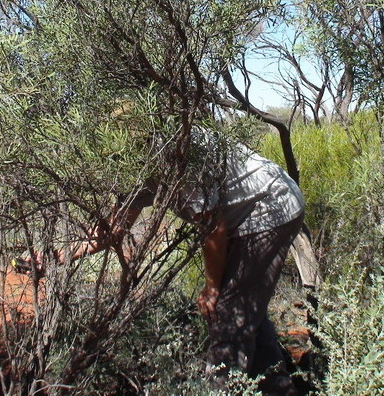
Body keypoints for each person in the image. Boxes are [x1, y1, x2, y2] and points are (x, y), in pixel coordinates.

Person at [21, 129, 305, 394]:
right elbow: (113, 231)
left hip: (270, 207)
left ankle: (225, 387)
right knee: (243, 309)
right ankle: (278, 387)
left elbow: (213, 228)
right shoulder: (133, 163)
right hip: (242, 213)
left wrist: (212, 288)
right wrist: (58, 257)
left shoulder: (180, 152)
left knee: (228, 314)